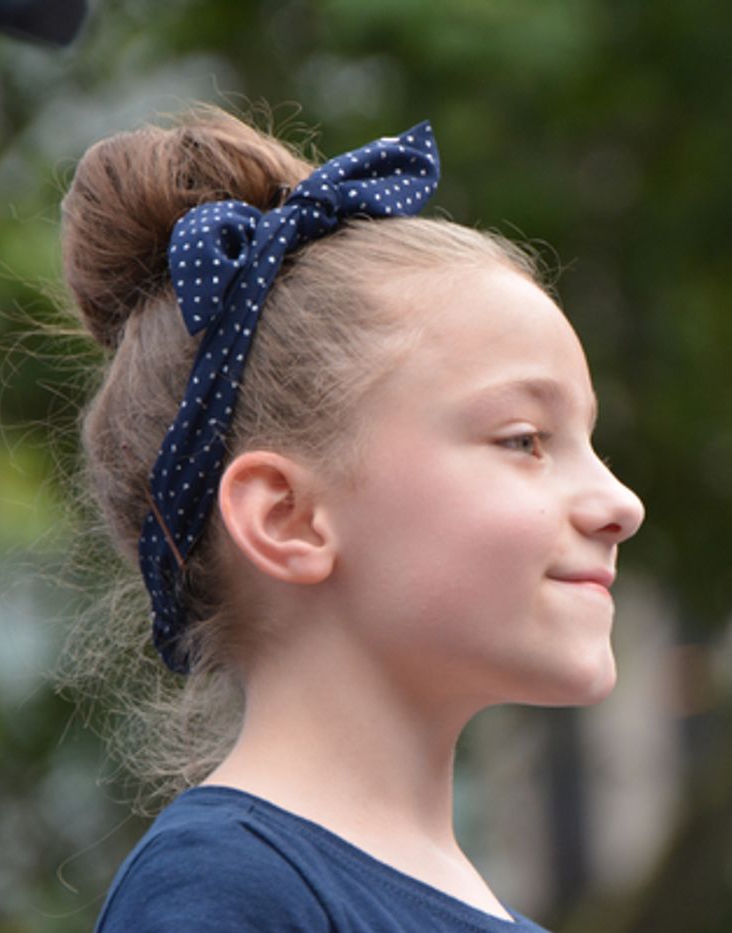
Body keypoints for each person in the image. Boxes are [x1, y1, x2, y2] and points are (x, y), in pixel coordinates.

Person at [59, 106, 645, 932]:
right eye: (524, 439)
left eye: (592, 442)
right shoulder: (225, 891)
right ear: (287, 516)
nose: (622, 503)